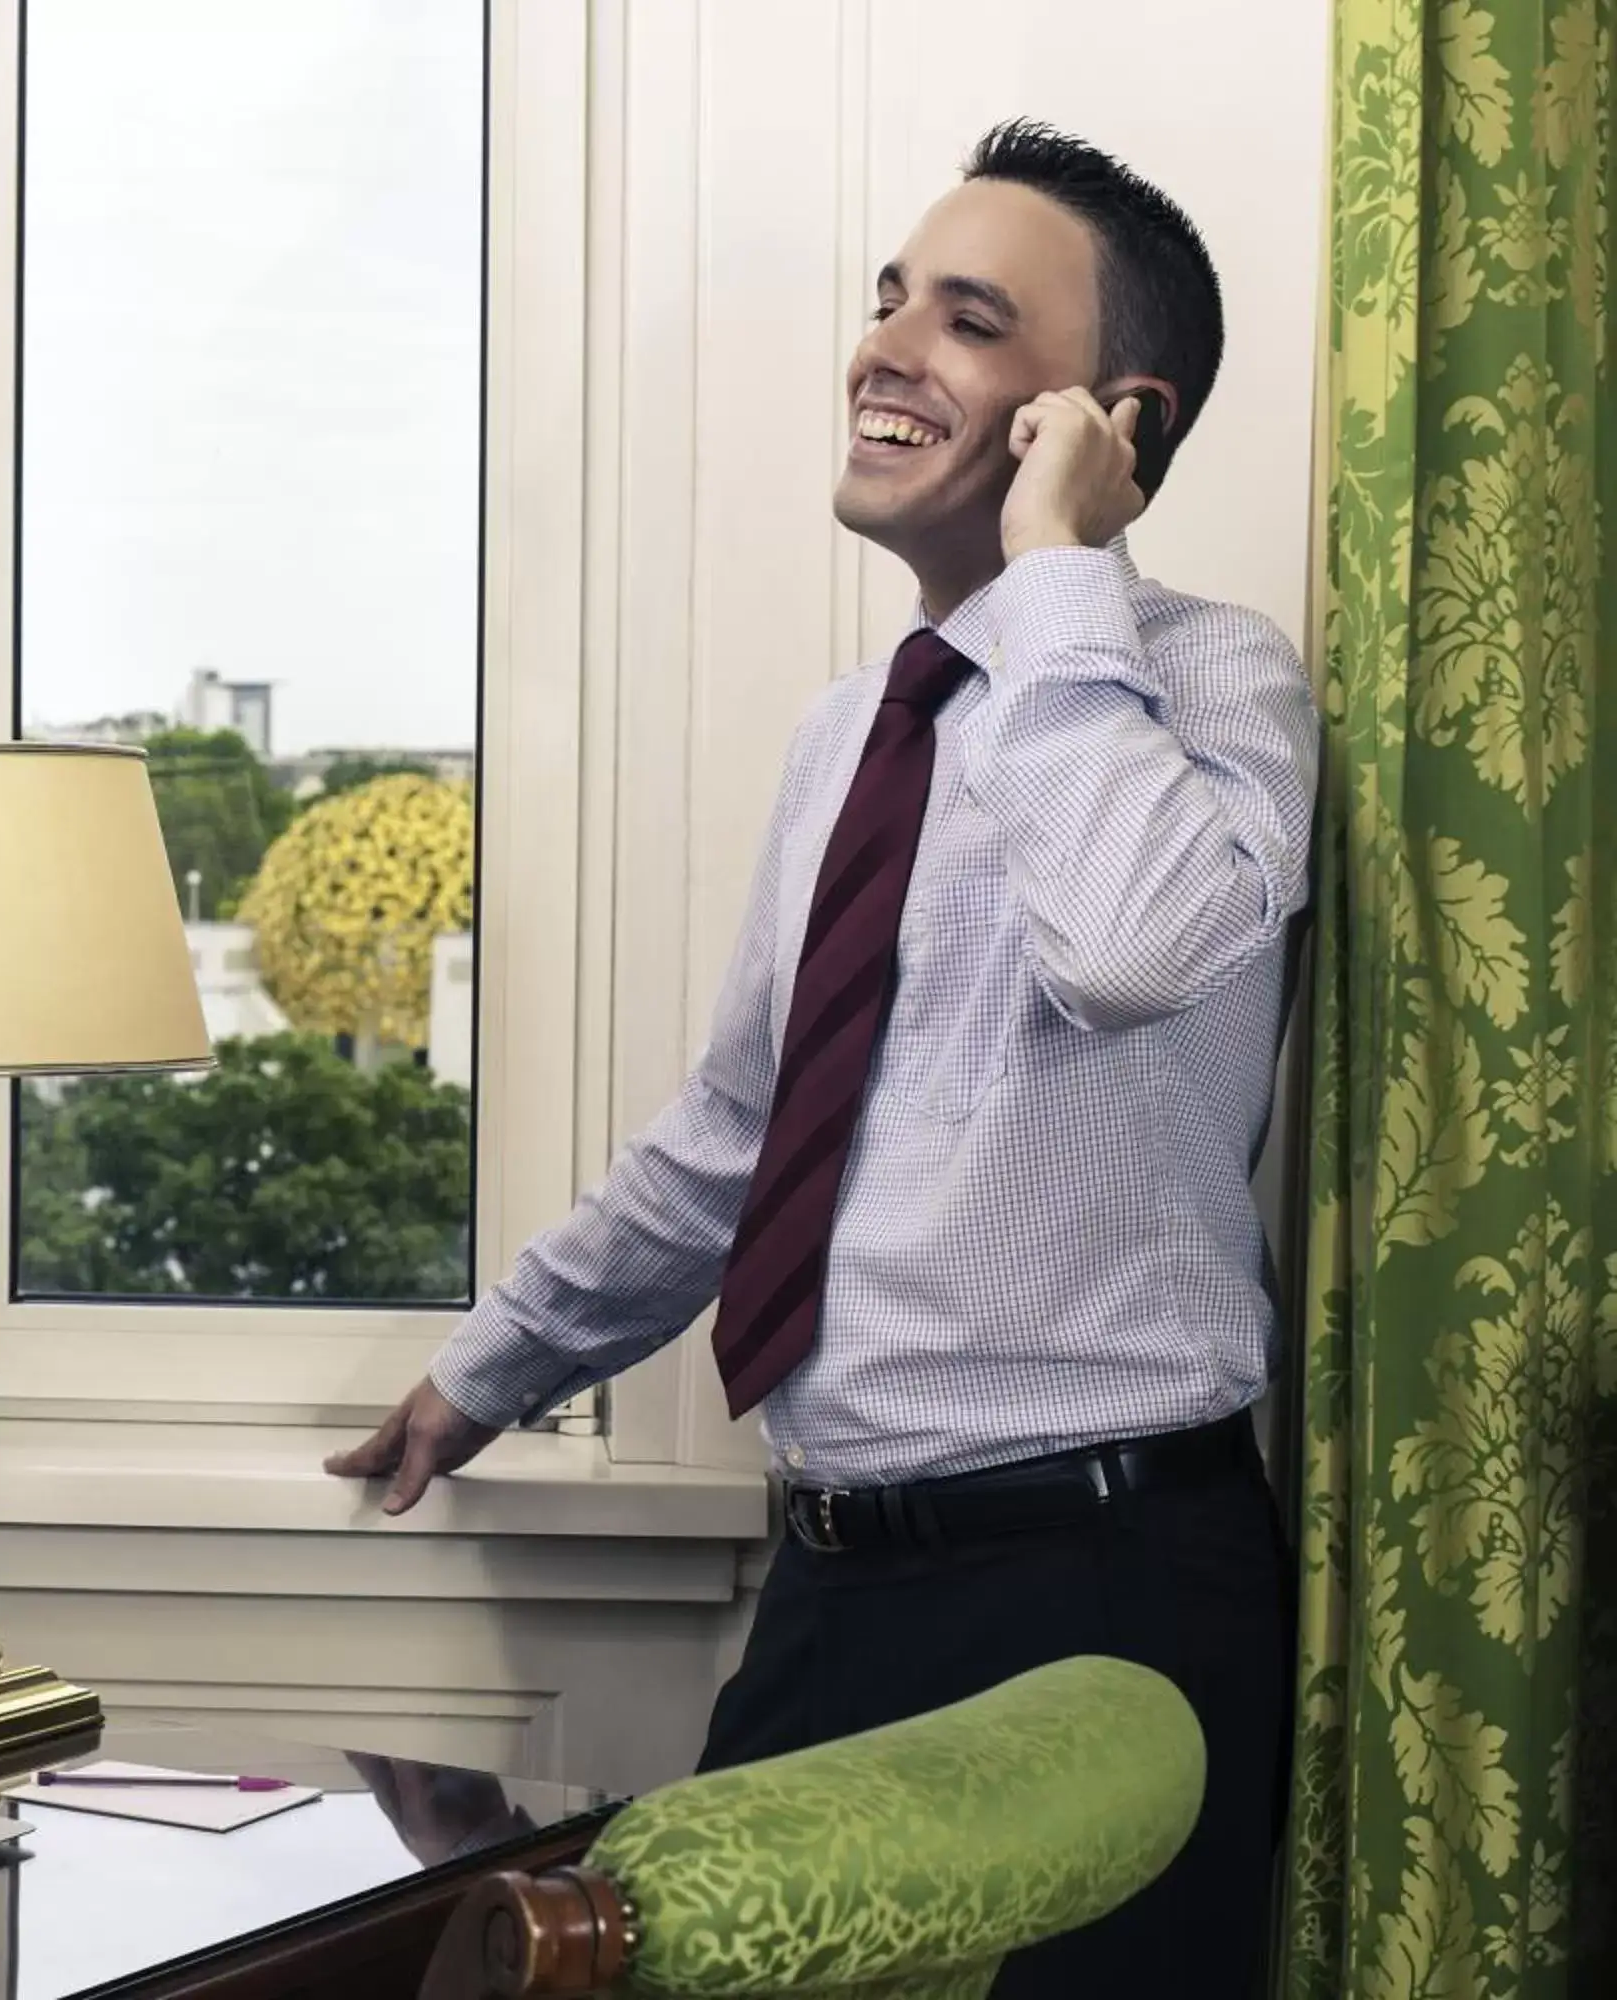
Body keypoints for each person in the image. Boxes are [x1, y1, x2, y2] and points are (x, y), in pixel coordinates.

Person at [327, 120, 1315, 1997]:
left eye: (968, 318)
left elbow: (1126, 949)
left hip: (1102, 1595)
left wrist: (1053, 580)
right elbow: (741, 1136)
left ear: (1110, 420)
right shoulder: (845, 735)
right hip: (836, 1588)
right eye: (885, 300)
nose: (884, 347)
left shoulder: (1219, 683)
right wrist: (496, 1364)